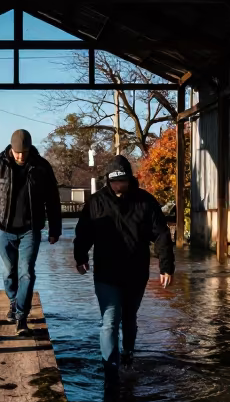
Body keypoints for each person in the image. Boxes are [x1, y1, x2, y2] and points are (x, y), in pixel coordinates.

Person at [73, 154, 174, 381]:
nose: (119, 185)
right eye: (114, 181)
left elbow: (161, 235)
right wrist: (80, 257)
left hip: (136, 272)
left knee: (129, 318)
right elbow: (84, 232)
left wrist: (166, 266)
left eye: (123, 181)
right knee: (109, 320)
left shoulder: (145, 201)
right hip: (106, 273)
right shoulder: (96, 202)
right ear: (108, 180)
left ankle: (128, 355)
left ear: (130, 179)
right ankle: (110, 367)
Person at [0, 128, 62, 335]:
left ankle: (21, 317)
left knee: (27, 272)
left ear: (30, 149)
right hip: (3, 229)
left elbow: (53, 200)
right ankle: (14, 302)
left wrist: (55, 228)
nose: (20, 156)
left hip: (30, 229)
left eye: (24, 153)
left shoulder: (42, 167)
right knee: (9, 272)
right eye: (17, 153)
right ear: (11, 149)